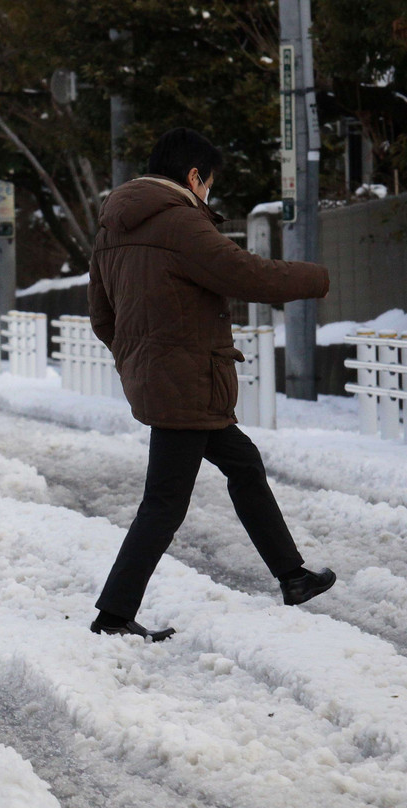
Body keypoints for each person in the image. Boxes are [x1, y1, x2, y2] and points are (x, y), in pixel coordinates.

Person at [88, 127, 336, 641]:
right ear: (194, 176)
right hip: (187, 382)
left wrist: (137, 359)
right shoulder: (179, 223)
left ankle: (292, 577)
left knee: (244, 465)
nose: (209, 194)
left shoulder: (112, 229)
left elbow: (101, 316)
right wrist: (318, 278)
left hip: (170, 380)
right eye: (209, 184)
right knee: (163, 503)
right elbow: (245, 274)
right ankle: (112, 616)